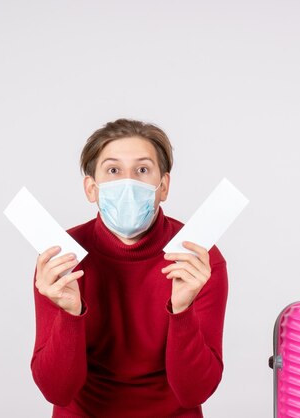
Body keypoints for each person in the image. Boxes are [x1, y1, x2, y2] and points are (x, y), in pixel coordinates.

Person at [30, 119, 229, 417]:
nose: (128, 183)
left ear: (163, 186)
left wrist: (182, 310)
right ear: (91, 188)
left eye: (142, 170)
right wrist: (69, 313)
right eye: (113, 170)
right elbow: (57, 391)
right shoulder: (61, 256)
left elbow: (195, 393)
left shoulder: (198, 257)